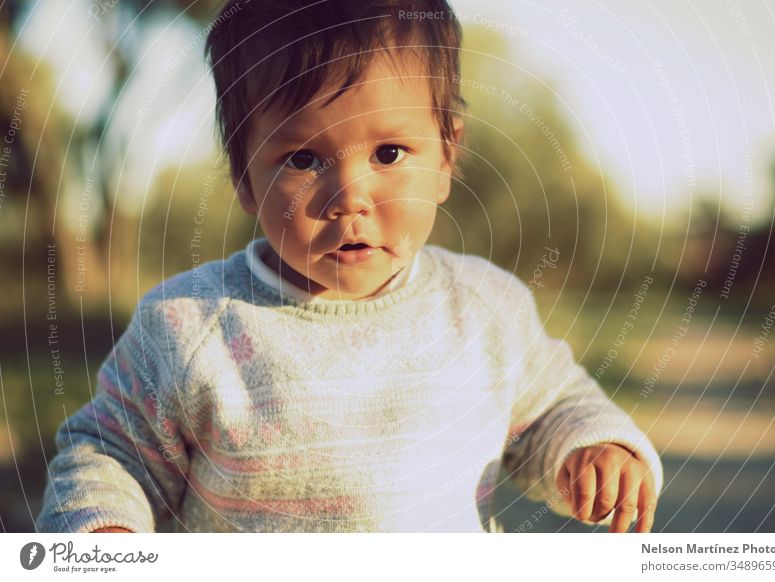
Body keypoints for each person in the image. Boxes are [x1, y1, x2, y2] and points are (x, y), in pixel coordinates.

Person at [36, 0, 662, 533]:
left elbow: (553, 410)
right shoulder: (191, 327)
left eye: (389, 152)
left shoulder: (484, 311)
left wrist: (595, 447)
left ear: (447, 157)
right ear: (245, 179)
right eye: (303, 159)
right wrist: (104, 533)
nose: (349, 196)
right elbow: (109, 451)